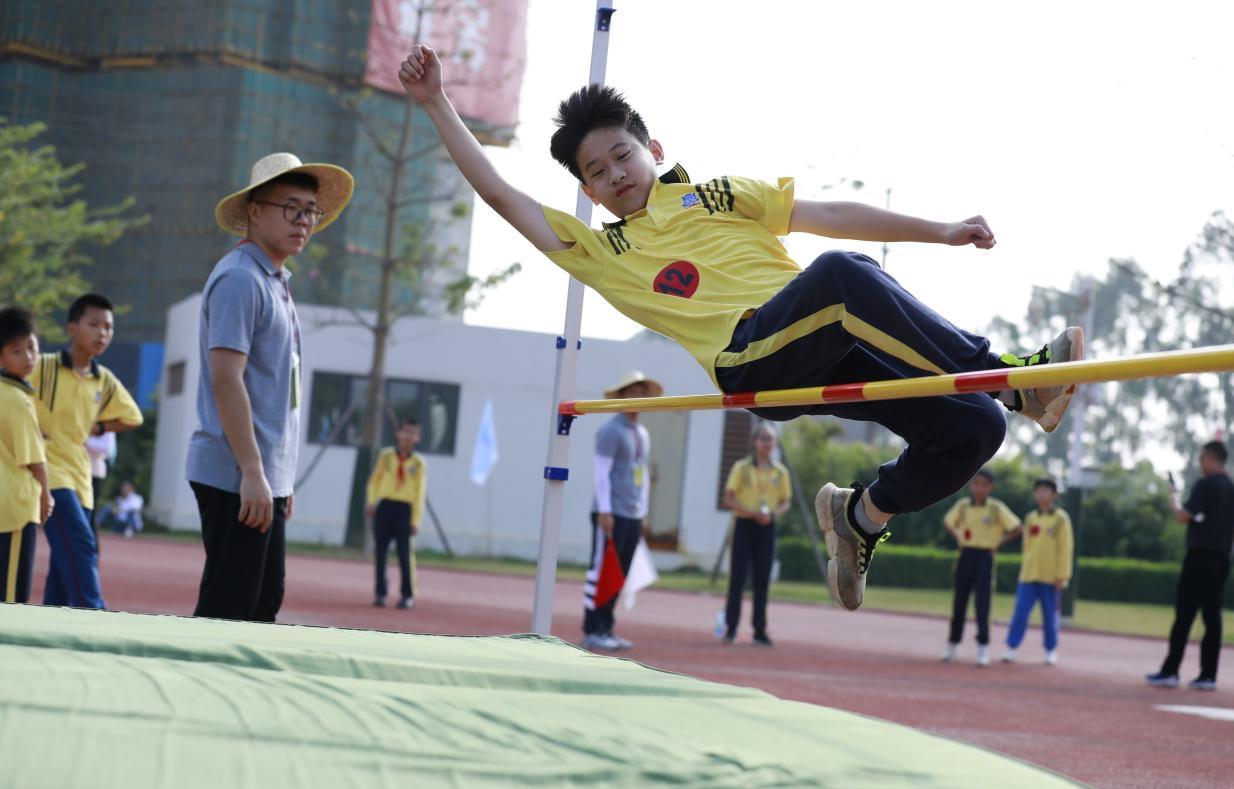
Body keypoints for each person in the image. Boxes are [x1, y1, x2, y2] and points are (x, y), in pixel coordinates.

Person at [398, 47, 1083, 614]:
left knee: (972, 429)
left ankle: (863, 515)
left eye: (621, 156)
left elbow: (833, 217)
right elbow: (500, 194)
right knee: (844, 277)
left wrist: (940, 231)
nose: (614, 176)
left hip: (832, 343)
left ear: (653, 148)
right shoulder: (602, 252)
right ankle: (1016, 380)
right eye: (596, 174)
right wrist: (436, 103)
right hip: (754, 360)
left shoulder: (722, 194)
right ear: (588, 192)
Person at [186, 153, 354, 622]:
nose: (303, 221)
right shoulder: (241, 279)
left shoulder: (274, 279)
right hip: (235, 473)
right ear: (255, 211)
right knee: (231, 607)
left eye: (311, 212)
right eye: (291, 208)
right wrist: (254, 473)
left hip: (261, 474)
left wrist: (277, 477)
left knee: (262, 600)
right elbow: (226, 379)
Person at [31, 294, 143, 609]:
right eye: (93, 325)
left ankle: (51, 627)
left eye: (108, 327)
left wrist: (100, 428)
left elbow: (133, 418)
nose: (102, 333)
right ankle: (94, 612)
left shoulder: (104, 380)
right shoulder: (43, 367)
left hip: (82, 478)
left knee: (62, 564)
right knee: (82, 544)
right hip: (48, 472)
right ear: (71, 327)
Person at [1146, 441, 1234, 692]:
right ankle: (1208, 675)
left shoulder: (1206, 485)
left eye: (1202, 460)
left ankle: (1171, 671)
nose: (1201, 465)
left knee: (1185, 615)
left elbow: (1182, 516)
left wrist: (1173, 497)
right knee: (1213, 617)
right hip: (1221, 560)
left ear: (1211, 459)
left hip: (1199, 557)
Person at [582, 371, 660, 651]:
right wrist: (605, 511)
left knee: (620, 572)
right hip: (611, 512)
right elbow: (601, 473)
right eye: (633, 392)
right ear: (622, 396)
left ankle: (607, 627)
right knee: (602, 569)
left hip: (631, 514)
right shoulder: (611, 430)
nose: (638, 398)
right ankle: (592, 628)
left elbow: (643, 475)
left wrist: (643, 513)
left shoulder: (642, 433)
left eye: (642, 392)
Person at [721, 424, 792, 646]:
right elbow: (728, 498)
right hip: (744, 523)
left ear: (775, 444)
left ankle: (759, 630)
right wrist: (751, 512)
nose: (766, 443)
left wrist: (772, 514)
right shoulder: (741, 468)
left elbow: (785, 501)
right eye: (763, 438)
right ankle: (731, 628)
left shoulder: (780, 471)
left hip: (767, 527)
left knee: (762, 579)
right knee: (738, 578)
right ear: (754, 441)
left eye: (770, 439)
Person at [0, 308, 53, 604]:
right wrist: (46, 495)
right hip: (15, 510)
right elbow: (33, 460)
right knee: (11, 600)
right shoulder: (17, 400)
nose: (28, 357)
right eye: (16, 351)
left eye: (31, 347)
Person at [942, 469, 1022, 666]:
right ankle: (952, 644)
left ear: (991, 487)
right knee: (959, 602)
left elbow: (1017, 527)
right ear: (971, 485)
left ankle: (983, 648)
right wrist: (959, 535)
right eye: (976, 483)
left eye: (984, 484)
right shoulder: (963, 506)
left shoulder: (996, 508)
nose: (979, 488)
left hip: (985, 556)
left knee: (983, 603)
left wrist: (998, 542)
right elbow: (948, 522)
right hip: (966, 555)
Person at [1001, 478, 1072, 666]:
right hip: (1028, 575)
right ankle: (1011, 647)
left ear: (1054, 494)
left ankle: (1050, 650)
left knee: (1050, 617)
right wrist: (1024, 568)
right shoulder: (1031, 518)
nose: (1041, 494)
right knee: (1020, 613)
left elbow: (1066, 549)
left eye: (1046, 491)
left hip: (1051, 577)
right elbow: (1027, 548)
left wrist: (1062, 576)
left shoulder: (1060, 519)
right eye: (1038, 491)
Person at [366, 418, 426, 609]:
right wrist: (372, 501)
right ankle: (380, 593)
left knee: (405, 554)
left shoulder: (418, 463)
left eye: (413, 433)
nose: (408, 436)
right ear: (398, 434)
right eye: (405, 432)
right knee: (381, 552)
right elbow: (374, 480)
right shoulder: (386, 456)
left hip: (404, 509)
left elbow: (419, 493)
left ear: (417, 438)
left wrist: (416, 520)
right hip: (385, 506)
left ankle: (407, 595)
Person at [84, 429, 116, 536]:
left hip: (94, 473)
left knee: (89, 512)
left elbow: (107, 449)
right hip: (74, 471)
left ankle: (92, 549)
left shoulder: (106, 423)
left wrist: (84, 441)